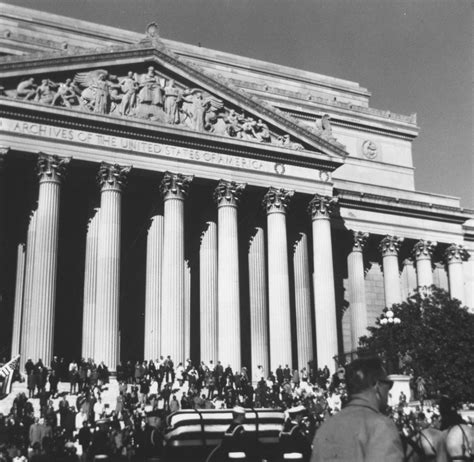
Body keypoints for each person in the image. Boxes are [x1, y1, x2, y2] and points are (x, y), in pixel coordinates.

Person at [310, 357, 404, 462]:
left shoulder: (325, 429)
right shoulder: (380, 426)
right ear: (376, 385)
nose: (389, 390)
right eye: (388, 384)